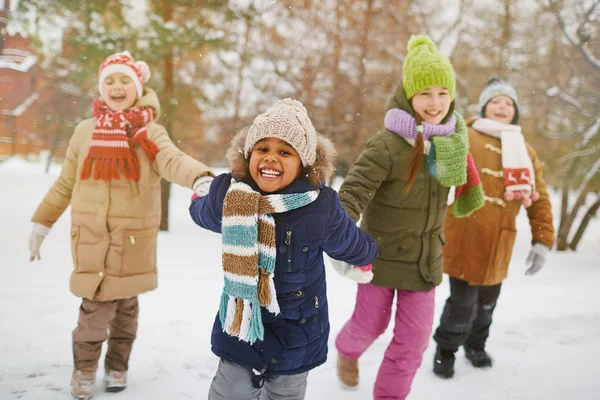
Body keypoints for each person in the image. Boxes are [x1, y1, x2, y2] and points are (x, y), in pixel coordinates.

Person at [27, 51, 214, 399]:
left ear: (138, 87)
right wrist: (41, 223)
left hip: (132, 243)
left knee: (126, 313)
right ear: (100, 89)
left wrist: (200, 178)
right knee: (93, 315)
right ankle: (84, 369)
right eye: (109, 81)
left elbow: (172, 160)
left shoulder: (149, 133)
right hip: (91, 241)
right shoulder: (85, 132)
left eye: (124, 80)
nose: (116, 86)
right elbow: (65, 184)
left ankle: (118, 366)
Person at [189, 98, 378, 399]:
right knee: (230, 391)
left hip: (298, 328)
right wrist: (199, 201)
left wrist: (367, 253)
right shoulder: (232, 194)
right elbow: (206, 214)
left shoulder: (321, 206)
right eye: (262, 149)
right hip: (244, 320)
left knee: (285, 393)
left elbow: (349, 242)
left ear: (304, 162)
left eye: (284, 152)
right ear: (249, 155)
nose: (271, 158)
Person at [334, 35, 484, 399]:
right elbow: (352, 193)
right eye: (424, 94)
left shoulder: (453, 142)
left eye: (442, 93)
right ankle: (347, 350)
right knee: (369, 327)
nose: (434, 103)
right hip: (380, 257)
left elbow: (465, 188)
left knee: (413, 342)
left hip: (424, 262)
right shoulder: (387, 144)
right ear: (408, 96)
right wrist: (340, 241)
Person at [432, 76, 555, 378]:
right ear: (485, 106)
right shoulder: (466, 135)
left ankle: (476, 346)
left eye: (508, 103)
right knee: (462, 303)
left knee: (487, 303)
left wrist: (542, 240)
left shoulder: (524, 149)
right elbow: (440, 172)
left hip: (500, 242)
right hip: (464, 236)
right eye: (496, 101)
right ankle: (445, 351)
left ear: (515, 111)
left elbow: (539, 199)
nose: (502, 107)